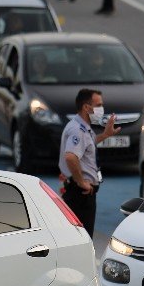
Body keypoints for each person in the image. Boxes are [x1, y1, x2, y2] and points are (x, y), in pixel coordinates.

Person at [58, 88, 120, 238]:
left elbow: (87, 144)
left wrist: (105, 135)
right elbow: (71, 157)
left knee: (82, 238)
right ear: (86, 107)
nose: (101, 109)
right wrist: (81, 182)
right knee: (82, 238)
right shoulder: (77, 130)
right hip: (80, 194)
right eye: (98, 105)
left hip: (82, 193)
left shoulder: (83, 127)